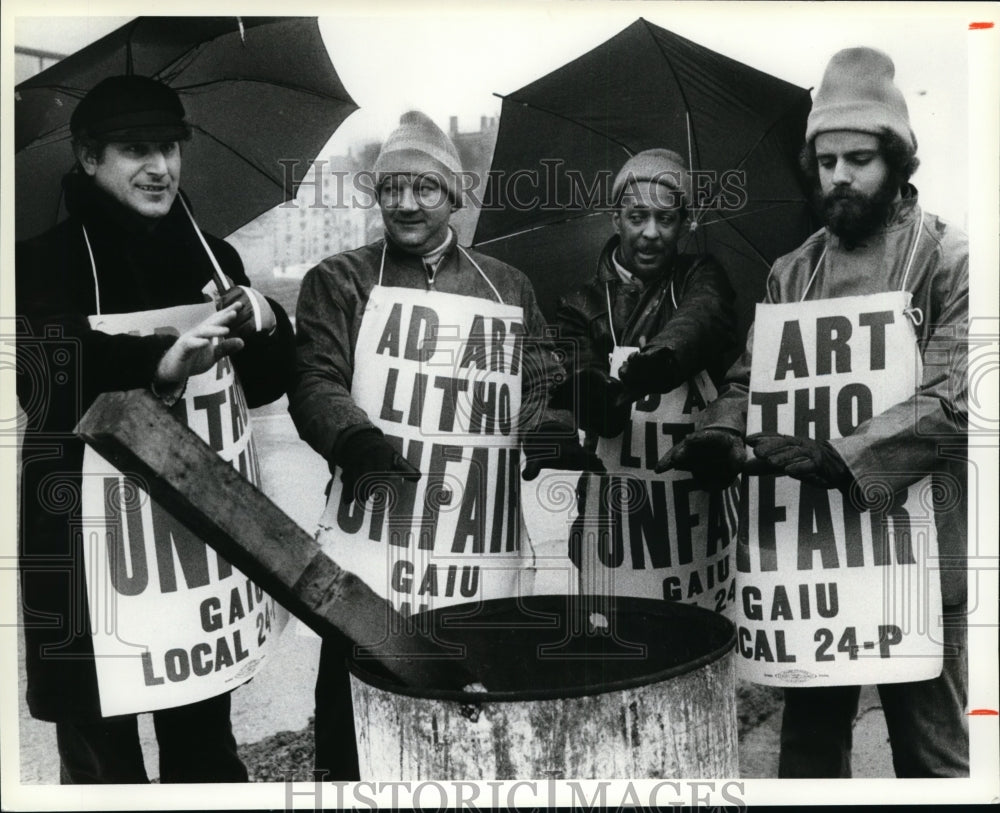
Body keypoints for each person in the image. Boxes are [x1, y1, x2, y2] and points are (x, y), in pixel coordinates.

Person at [660, 47, 969, 777]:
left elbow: (954, 398)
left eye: (858, 158)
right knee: (806, 758)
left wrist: (841, 454)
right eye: (825, 161)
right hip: (812, 565)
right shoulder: (791, 271)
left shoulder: (948, 259)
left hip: (918, 563)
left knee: (932, 760)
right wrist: (720, 432)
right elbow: (747, 379)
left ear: (897, 158)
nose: (838, 176)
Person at [289, 110, 602, 780]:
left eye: (424, 187)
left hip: (472, 552)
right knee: (353, 722)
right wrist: (354, 436)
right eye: (392, 186)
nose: (405, 202)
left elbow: (537, 382)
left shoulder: (506, 285)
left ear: (453, 195)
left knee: (468, 724)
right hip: (370, 549)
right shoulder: (339, 280)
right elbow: (314, 378)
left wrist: (548, 435)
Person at [16, 75, 295, 783]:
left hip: (189, 554)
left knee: (204, 749)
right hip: (88, 552)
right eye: (135, 149)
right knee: (102, 762)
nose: (161, 167)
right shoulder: (40, 261)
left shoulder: (214, 258)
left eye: (170, 147)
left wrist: (265, 319)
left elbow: (263, 385)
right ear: (87, 158)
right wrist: (159, 365)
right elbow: (41, 376)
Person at [553, 148, 737, 437]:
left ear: (683, 225)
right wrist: (595, 394)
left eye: (665, 219)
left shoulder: (701, 273)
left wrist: (663, 359)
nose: (651, 233)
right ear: (616, 220)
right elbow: (582, 378)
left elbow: (702, 316)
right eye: (637, 217)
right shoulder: (577, 305)